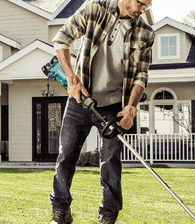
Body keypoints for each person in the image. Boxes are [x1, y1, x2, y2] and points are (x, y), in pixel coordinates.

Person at [49, 0, 155, 223]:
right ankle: (60, 211)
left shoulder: (145, 33)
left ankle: (108, 215)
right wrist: (71, 79)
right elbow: (61, 39)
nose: (143, 9)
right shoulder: (95, 8)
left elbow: (141, 75)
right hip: (80, 98)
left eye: (148, 5)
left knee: (111, 162)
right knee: (66, 156)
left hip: (114, 105)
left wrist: (131, 108)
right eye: (140, 3)